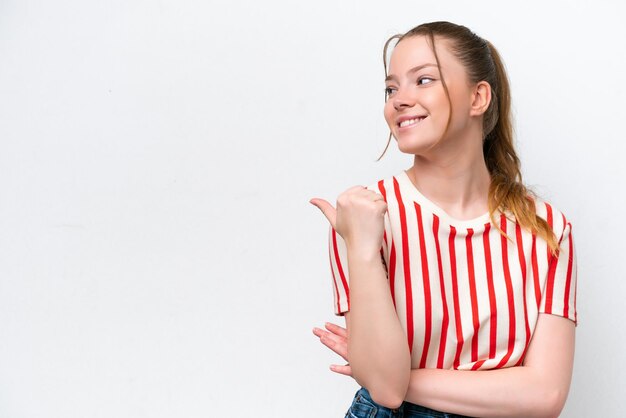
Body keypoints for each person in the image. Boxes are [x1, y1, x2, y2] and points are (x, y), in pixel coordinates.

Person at [310, 21, 577, 418]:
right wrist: (363, 249)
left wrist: (400, 377)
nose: (399, 100)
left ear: (478, 97)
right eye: (391, 88)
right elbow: (384, 390)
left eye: (423, 80)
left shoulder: (545, 227)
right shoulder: (363, 215)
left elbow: (545, 395)